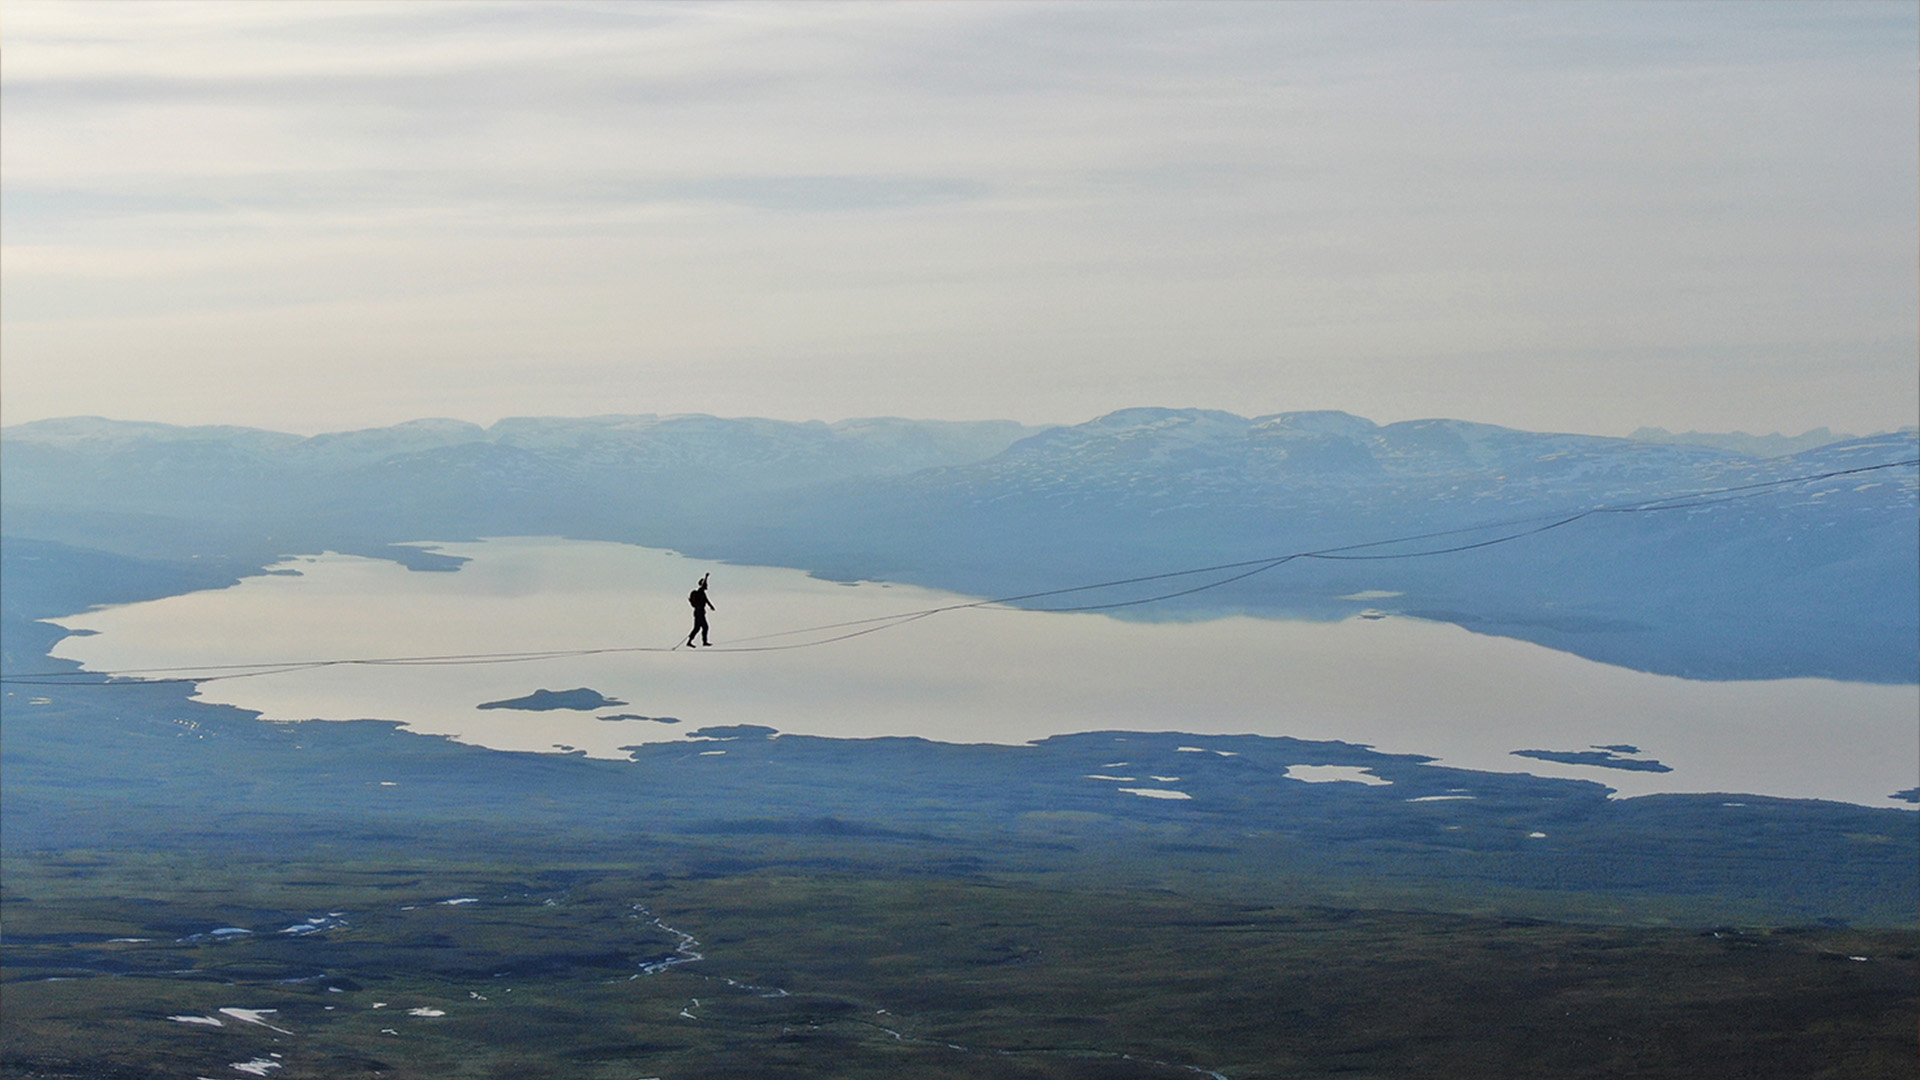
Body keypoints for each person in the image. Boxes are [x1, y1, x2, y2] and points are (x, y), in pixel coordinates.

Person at [686, 574, 715, 647]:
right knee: (704, 627)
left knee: (697, 628)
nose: (707, 586)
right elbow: (703, 585)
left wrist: (711, 606)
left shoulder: (702, 593)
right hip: (699, 612)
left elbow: (707, 600)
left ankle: (690, 642)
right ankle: (704, 642)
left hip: (699, 612)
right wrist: (706, 577)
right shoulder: (700, 592)